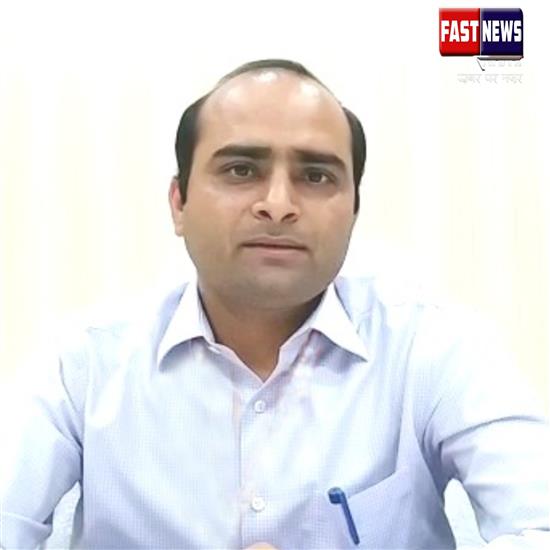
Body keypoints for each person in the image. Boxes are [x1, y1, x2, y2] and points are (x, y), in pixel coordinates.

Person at [1, 59, 548, 550]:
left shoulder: (432, 350)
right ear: (179, 202)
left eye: (316, 176)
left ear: (354, 210)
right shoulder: (85, 365)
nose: (278, 204)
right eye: (241, 170)